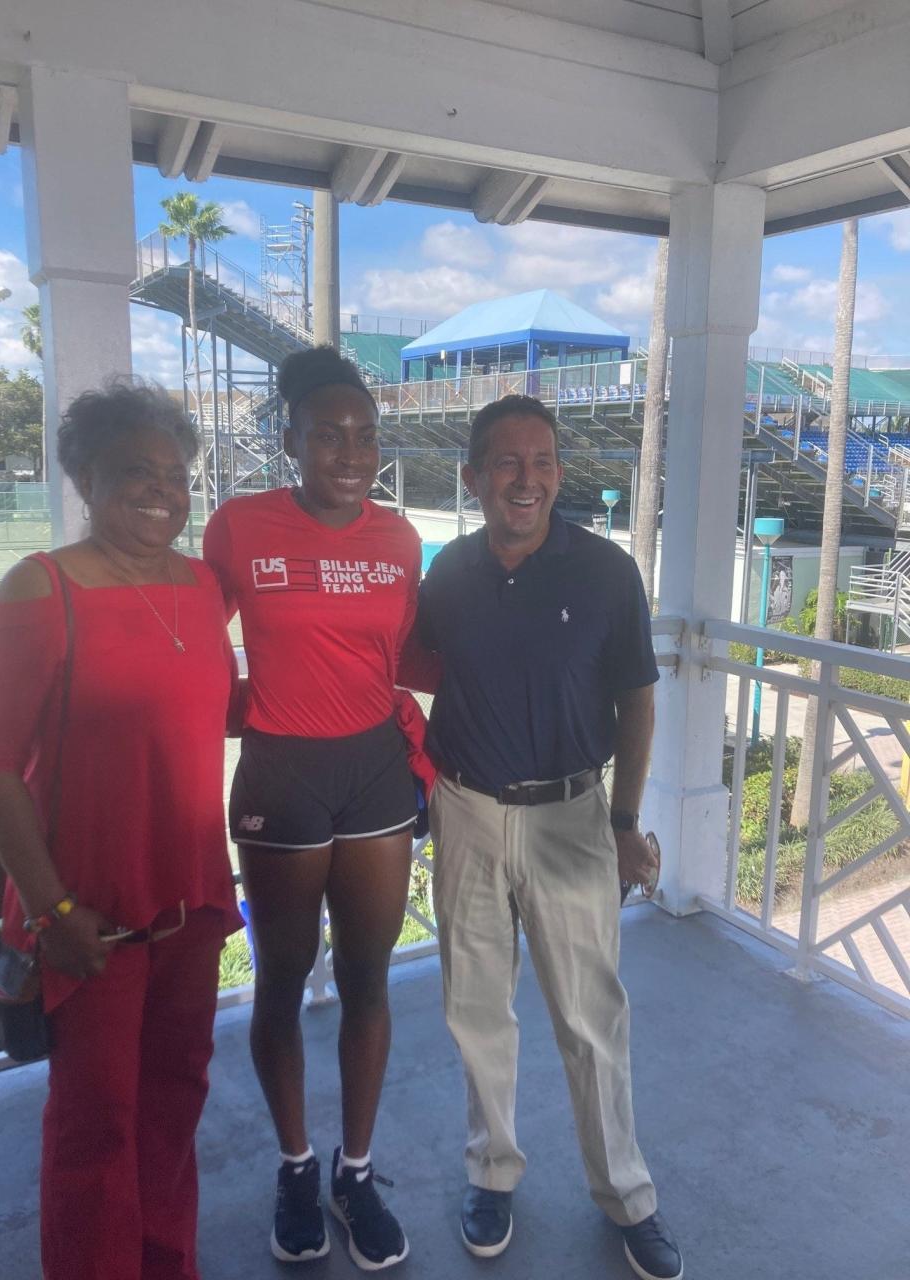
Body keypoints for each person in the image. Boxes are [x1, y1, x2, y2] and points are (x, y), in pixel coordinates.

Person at [0, 381, 242, 1280]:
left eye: (175, 474)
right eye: (133, 473)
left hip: (189, 903)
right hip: (86, 914)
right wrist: (49, 909)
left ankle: (168, 1263)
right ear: (84, 475)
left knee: (174, 1102)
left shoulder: (202, 588)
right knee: (94, 1123)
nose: (160, 490)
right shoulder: (40, 589)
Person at [404, 395, 683, 1280]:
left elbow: (637, 698)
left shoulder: (606, 572)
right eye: (509, 463)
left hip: (573, 815)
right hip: (469, 811)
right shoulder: (446, 571)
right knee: (477, 1009)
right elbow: (403, 670)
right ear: (474, 477)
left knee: (591, 1018)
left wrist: (626, 819)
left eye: (544, 461)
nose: (529, 479)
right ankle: (492, 1173)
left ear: (559, 472)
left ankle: (627, 1194)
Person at [203, 346, 422, 1272]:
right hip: (280, 776)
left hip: (374, 772)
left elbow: (409, 656)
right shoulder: (237, 526)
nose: (349, 451)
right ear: (287, 438)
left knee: (370, 979)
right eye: (327, 434)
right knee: (284, 981)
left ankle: (356, 1172)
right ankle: (297, 1166)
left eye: (365, 436)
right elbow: (187, 640)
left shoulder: (401, 539)